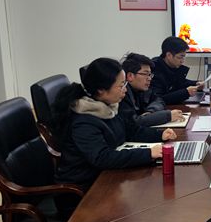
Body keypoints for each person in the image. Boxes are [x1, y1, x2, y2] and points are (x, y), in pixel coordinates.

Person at [52, 57, 177, 198]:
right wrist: (148, 153)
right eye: (121, 85)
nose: (125, 90)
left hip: (107, 178)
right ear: (101, 90)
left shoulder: (107, 106)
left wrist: (160, 135)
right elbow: (102, 158)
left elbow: (130, 131)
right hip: (83, 191)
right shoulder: (83, 121)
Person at [119, 52, 184, 127]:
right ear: (130, 76)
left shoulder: (142, 89)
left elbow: (159, 100)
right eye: (145, 74)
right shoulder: (121, 94)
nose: (149, 78)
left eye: (150, 74)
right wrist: (167, 116)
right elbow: (133, 123)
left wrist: (151, 112)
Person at [151, 36, 204, 105]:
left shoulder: (172, 66)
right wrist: (186, 92)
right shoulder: (154, 70)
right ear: (169, 55)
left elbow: (179, 82)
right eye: (180, 57)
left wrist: (195, 84)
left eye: (184, 57)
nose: (182, 61)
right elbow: (158, 99)